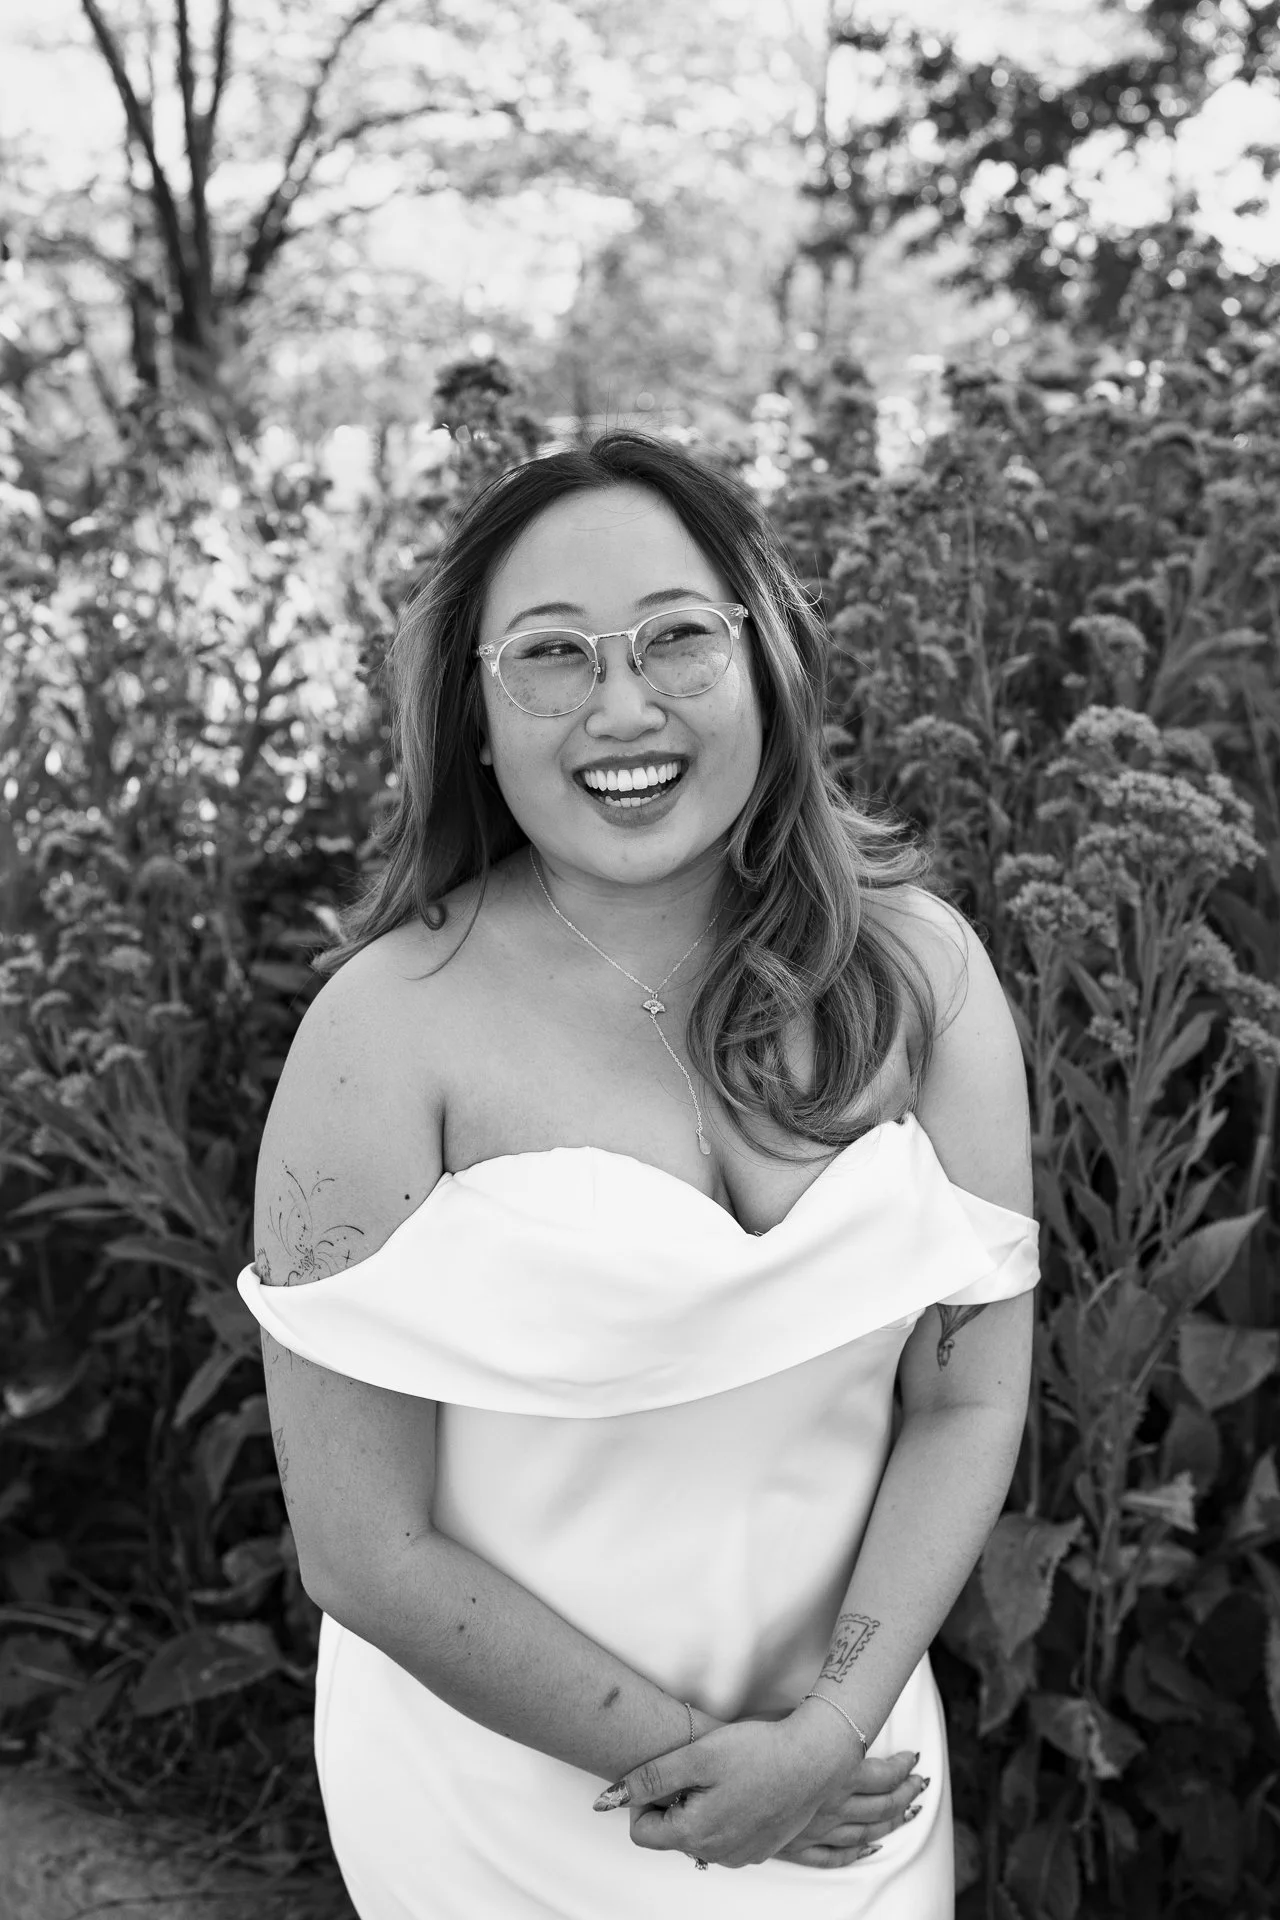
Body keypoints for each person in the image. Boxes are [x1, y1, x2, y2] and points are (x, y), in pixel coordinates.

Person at [236, 429, 1039, 1919]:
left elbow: (968, 1400)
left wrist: (823, 1736)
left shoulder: (923, 979)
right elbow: (361, 1548)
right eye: (551, 655)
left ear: (765, 663)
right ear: (475, 715)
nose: (624, 707)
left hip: (855, 1766)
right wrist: (701, 1768)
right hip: (504, 1794)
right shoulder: (383, 1033)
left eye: (678, 637)